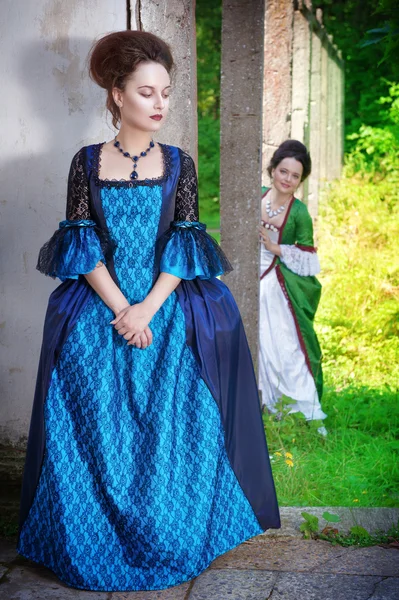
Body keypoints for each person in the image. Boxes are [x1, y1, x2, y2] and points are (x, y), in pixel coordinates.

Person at [17, 31, 280, 592]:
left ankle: (170, 526)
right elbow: (82, 245)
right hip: (101, 300)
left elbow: (185, 246)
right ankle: (93, 529)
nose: (160, 104)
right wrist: (122, 310)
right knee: (84, 366)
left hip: (165, 297)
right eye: (146, 92)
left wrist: (149, 310)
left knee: (176, 377)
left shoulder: (179, 163)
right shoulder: (85, 162)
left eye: (165, 92)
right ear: (117, 95)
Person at [258, 140, 328, 435]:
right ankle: (261, 402)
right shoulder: (255, 196)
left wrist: (276, 248)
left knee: (286, 345)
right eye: (282, 171)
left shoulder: (299, 213)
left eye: (294, 175)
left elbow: (309, 259)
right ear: (272, 170)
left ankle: (299, 409)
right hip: (248, 273)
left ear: (301, 180)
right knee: (254, 339)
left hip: (277, 280)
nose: (286, 179)